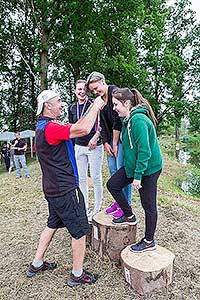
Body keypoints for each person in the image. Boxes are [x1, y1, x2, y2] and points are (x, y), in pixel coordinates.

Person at [26, 89, 105, 287]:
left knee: (52, 223)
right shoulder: (51, 127)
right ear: (48, 106)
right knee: (79, 231)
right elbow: (84, 130)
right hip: (65, 189)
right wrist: (96, 105)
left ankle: (36, 264)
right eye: (58, 101)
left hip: (51, 188)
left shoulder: (42, 126)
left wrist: (88, 109)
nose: (62, 104)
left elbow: (78, 125)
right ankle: (77, 275)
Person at [107, 88, 162, 253]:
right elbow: (132, 149)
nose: (114, 108)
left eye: (116, 104)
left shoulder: (138, 120)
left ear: (126, 103)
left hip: (149, 169)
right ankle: (129, 215)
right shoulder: (127, 120)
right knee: (113, 184)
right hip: (134, 166)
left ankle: (149, 240)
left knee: (148, 205)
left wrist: (137, 176)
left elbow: (144, 151)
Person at [86, 71, 132, 218]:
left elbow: (118, 120)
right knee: (113, 172)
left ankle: (127, 204)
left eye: (96, 88)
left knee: (122, 172)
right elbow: (102, 124)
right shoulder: (100, 100)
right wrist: (105, 142)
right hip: (109, 138)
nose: (95, 92)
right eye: (92, 90)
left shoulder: (115, 93)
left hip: (120, 137)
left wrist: (114, 142)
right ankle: (118, 202)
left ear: (102, 81)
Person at [68, 80, 103, 218]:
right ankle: (85, 206)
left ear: (87, 91)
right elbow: (71, 127)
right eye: (79, 89)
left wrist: (95, 137)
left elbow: (102, 123)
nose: (81, 91)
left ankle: (97, 207)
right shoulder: (72, 108)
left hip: (94, 145)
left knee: (96, 177)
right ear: (75, 91)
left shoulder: (94, 104)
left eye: (83, 89)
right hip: (79, 146)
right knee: (81, 178)